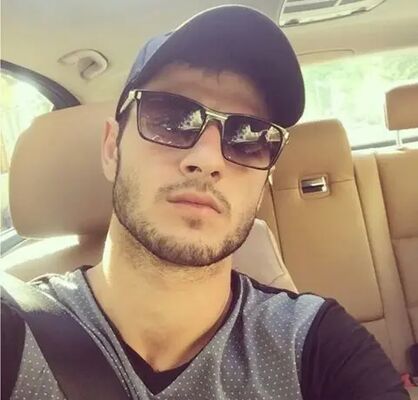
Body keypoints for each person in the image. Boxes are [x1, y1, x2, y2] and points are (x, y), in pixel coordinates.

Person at [1, 5, 410, 400]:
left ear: (264, 182)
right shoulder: (15, 332)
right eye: (171, 118)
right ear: (112, 148)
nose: (208, 159)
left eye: (249, 137)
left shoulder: (316, 345)